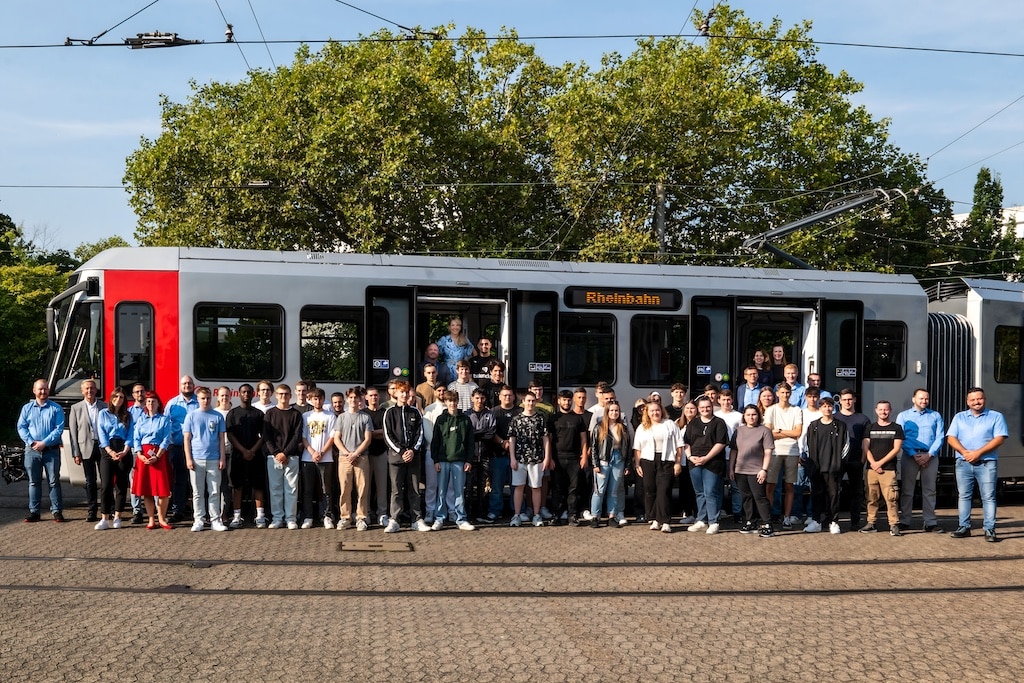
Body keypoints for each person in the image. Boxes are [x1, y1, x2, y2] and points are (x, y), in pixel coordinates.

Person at [947, 387, 1007, 542]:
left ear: (984, 399)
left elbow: (999, 438)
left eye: (979, 399)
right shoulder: (959, 417)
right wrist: (965, 452)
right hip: (963, 462)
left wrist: (978, 453)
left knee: (988, 497)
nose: (976, 402)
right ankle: (964, 527)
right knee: (964, 496)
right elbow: (951, 438)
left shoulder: (996, 416)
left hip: (987, 463)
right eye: (972, 400)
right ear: (967, 402)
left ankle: (989, 529)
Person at [895, 388, 944, 533]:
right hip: (910, 457)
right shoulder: (903, 416)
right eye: (921, 398)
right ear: (913, 399)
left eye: (926, 399)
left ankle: (930, 522)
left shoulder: (935, 416)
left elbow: (940, 437)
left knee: (930, 490)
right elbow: (900, 437)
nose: (924, 401)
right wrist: (913, 454)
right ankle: (904, 520)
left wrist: (929, 454)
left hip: (930, 457)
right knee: (907, 490)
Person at [384, 381, 430, 533]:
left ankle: (416, 519)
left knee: (415, 489)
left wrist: (412, 451)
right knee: (396, 490)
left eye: (406, 392)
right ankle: (394, 520)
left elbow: (420, 434)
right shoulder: (389, 412)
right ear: (395, 393)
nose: (404, 395)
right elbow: (388, 435)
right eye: (401, 392)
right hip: (396, 458)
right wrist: (402, 451)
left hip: (413, 458)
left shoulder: (415, 412)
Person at [17, 379, 66, 523]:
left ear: (48, 390)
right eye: (40, 389)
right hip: (32, 451)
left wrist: (44, 443)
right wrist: (32, 442)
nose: (43, 392)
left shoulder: (56, 408)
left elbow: (59, 429)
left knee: (53, 481)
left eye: (45, 389)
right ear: (34, 390)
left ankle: (57, 511)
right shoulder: (27, 409)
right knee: (34, 482)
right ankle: (34, 512)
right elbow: (21, 427)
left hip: (51, 450)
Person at [182, 386, 228, 532]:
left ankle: (215, 520)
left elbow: (221, 439)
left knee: (214, 491)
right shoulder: (191, 416)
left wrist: (222, 458)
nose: (206, 401)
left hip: (214, 459)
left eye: (208, 398)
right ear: (198, 399)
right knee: (197, 492)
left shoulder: (217, 416)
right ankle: (199, 520)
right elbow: (187, 439)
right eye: (202, 398)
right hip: (197, 459)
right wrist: (188, 458)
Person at [682, 396, 729, 534]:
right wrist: (690, 457)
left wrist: (706, 458)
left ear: (712, 406)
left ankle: (713, 521)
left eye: (708, 406)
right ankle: (701, 520)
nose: (705, 409)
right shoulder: (693, 423)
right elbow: (686, 442)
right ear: (698, 408)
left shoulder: (719, 423)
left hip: (713, 463)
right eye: (702, 407)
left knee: (710, 492)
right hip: (694, 463)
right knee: (700, 493)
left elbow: (720, 443)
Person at [431, 393, 476, 531]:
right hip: (443, 460)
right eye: (450, 401)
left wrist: (468, 460)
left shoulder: (465, 420)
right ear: (446, 402)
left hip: (460, 460)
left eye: (455, 401)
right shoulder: (441, 419)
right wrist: (436, 460)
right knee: (441, 491)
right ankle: (439, 518)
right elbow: (435, 441)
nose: (452, 404)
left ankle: (461, 519)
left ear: (458, 401)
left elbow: (470, 442)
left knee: (458, 492)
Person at [634, 400, 680, 533]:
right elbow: (637, 448)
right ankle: (654, 519)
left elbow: (679, 445)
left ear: (661, 411)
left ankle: (665, 521)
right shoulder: (642, 427)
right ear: (647, 413)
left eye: (657, 410)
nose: (655, 413)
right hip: (647, 460)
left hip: (666, 460)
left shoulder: (670, 424)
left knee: (664, 490)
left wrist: (677, 463)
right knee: (650, 490)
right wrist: (637, 464)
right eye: (652, 411)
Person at [225, 383, 267, 528]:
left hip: (256, 456)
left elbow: (263, 435)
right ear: (239, 394)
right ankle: (237, 517)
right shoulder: (233, 413)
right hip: (238, 456)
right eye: (243, 392)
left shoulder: (259, 414)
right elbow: (230, 435)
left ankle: (260, 516)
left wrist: (252, 451)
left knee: (258, 486)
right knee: (237, 486)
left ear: (253, 394)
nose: (246, 394)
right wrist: (243, 451)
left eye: (249, 392)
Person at [728, 405, 774, 538]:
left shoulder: (764, 430)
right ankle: (750, 521)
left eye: (753, 414)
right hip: (740, 470)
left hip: (757, 470)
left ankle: (767, 524)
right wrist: (731, 468)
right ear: (744, 416)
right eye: (748, 415)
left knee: (759, 497)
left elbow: (768, 451)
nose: (751, 417)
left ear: (758, 416)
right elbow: (734, 450)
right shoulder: (739, 430)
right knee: (746, 497)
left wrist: (764, 469)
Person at [804, 397, 848, 534]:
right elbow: (806, 446)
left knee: (834, 495)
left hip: (833, 467)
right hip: (817, 467)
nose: (827, 409)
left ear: (833, 408)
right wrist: (811, 462)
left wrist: (839, 463)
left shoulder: (840, 426)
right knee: (817, 495)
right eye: (824, 406)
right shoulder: (813, 426)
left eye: (829, 406)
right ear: (820, 408)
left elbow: (846, 446)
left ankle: (833, 522)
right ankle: (816, 521)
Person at [860, 401, 904, 536]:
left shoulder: (896, 428)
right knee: (871, 498)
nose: (883, 412)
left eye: (886, 409)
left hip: (888, 469)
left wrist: (880, 463)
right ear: (875, 411)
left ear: (890, 410)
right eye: (880, 409)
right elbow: (865, 447)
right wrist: (873, 463)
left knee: (891, 498)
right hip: (871, 469)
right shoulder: (869, 427)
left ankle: (894, 524)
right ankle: (871, 523)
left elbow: (896, 448)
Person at [263, 384, 304, 530]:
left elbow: (296, 436)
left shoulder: (296, 414)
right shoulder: (270, 414)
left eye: (286, 394)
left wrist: (285, 453)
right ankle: (277, 518)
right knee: (275, 489)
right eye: (280, 394)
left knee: (291, 490)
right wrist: (276, 453)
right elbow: (266, 436)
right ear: (276, 395)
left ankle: (291, 519)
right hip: (273, 458)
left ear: (290, 395)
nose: (283, 397)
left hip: (291, 457)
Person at [508, 392, 551, 527]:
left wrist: (546, 458)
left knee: (536, 487)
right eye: (528, 401)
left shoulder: (540, 419)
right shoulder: (516, 419)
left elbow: (546, 440)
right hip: (520, 459)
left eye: (533, 401)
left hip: (536, 459)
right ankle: (517, 515)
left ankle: (537, 515)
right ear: (523, 402)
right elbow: (512, 440)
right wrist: (512, 458)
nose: (531, 403)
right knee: (519, 487)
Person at [131, 391, 173, 529]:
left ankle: (161, 518)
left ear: (158, 403)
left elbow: (166, 439)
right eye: (148, 401)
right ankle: (151, 520)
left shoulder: (164, 419)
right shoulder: (141, 420)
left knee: (162, 490)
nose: (150, 403)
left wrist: (158, 455)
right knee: (147, 489)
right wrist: (140, 455)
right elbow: (136, 438)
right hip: (143, 456)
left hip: (159, 455)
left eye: (153, 401)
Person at [763, 384, 803, 529]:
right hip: (774, 451)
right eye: (782, 392)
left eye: (787, 392)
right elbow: (768, 432)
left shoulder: (796, 410)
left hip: (792, 451)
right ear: (777, 394)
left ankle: (786, 517)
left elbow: (797, 432)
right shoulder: (770, 410)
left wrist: (778, 430)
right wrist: (788, 432)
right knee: (770, 486)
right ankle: (768, 518)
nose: (785, 395)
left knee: (789, 486)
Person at [333, 387, 373, 531]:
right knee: (345, 489)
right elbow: (337, 439)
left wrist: (356, 453)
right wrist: (347, 453)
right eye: (350, 398)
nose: (353, 400)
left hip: (362, 458)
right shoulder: (341, 417)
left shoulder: (365, 417)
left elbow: (367, 439)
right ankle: (345, 517)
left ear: (360, 399)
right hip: (344, 459)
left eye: (355, 398)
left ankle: (361, 518)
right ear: (347, 399)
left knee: (362, 489)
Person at [94, 388, 134, 530]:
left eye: (121, 397)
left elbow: (131, 434)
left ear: (124, 400)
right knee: (106, 485)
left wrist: (125, 451)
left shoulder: (128, 415)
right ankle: (104, 518)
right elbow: (102, 434)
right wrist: (110, 451)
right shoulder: (103, 414)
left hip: (123, 450)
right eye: (116, 396)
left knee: (122, 486)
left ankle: (118, 516)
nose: (118, 399)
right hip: (107, 450)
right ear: (111, 398)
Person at [589, 400, 632, 528]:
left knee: (614, 490)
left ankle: (612, 516)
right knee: (599, 490)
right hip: (603, 461)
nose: (614, 413)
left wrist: (628, 465)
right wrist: (595, 464)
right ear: (607, 412)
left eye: (616, 410)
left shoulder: (623, 428)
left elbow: (627, 447)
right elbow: (594, 447)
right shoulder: (599, 427)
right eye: (612, 410)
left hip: (619, 460)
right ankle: (595, 517)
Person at [68, 378, 106, 522]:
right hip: (85, 448)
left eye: (92, 388)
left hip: (103, 447)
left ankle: (106, 509)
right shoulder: (76, 408)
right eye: (87, 389)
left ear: (96, 390)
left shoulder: (104, 406)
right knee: (90, 481)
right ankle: (92, 511)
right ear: (82, 391)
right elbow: (73, 433)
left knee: (105, 480)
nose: (90, 391)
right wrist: (75, 452)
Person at [834, 388, 870, 532]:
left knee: (857, 492)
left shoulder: (863, 419)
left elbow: (866, 441)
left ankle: (855, 521)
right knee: (834, 491)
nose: (847, 402)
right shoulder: (834, 417)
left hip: (856, 460)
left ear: (854, 400)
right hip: (837, 460)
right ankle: (833, 520)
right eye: (844, 399)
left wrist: (862, 460)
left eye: (850, 399)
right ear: (840, 401)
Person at [165, 375, 199, 522]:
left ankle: (198, 511)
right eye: (184, 383)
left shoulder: (200, 402)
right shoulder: (172, 404)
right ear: (180, 386)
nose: (187, 386)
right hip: (177, 447)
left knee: (196, 481)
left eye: (189, 383)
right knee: (179, 479)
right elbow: (165, 425)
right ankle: (178, 510)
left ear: (193, 385)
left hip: (196, 448)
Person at [300, 388, 335, 529]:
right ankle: (308, 516)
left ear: (323, 399)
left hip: (326, 459)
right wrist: (313, 452)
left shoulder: (330, 416)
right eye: (315, 398)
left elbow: (332, 436)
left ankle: (327, 516)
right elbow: (303, 437)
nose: (318, 401)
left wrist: (321, 452)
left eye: (320, 398)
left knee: (326, 489)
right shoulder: (306, 416)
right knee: (308, 489)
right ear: (311, 400)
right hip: (308, 458)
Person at [488, 385, 520, 522]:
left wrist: (512, 445)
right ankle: (495, 511)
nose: (507, 397)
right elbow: (490, 432)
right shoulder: (493, 412)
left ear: (514, 397)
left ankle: (518, 510)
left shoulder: (520, 412)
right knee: (496, 486)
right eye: (505, 395)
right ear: (499, 397)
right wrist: (502, 442)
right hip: (498, 455)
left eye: (510, 395)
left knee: (517, 486)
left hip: (517, 456)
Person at [467, 388, 498, 522]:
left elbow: (491, 434)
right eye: (477, 398)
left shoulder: (490, 415)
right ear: (472, 398)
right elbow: (467, 435)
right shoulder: (466, 415)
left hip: (486, 455)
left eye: (482, 398)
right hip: (470, 456)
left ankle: (481, 513)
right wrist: (481, 432)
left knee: (483, 487)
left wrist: (475, 433)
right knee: (468, 486)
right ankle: (467, 514)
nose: (479, 401)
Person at [362, 386, 390, 528]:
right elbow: (363, 434)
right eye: (371, 395)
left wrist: (371, 433)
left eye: (376, 395)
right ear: (366, 397)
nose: (374, 398)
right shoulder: (363, 414)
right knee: (365, 486)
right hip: (365, 455)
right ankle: (365, 513)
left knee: (382, 486)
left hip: (381, 453)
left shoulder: (385, 413)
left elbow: (388, 432)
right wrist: (376, 433)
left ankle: (382, 514)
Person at [437, 316, 474, 380]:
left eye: (457, 325)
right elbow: (434, 353)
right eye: (453, 325)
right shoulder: (444, 340)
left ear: (460, 327)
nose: (455, 327)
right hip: (446, 371)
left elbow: (474, 353)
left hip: (461, 371)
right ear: (449, 327)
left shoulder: (464, 339)